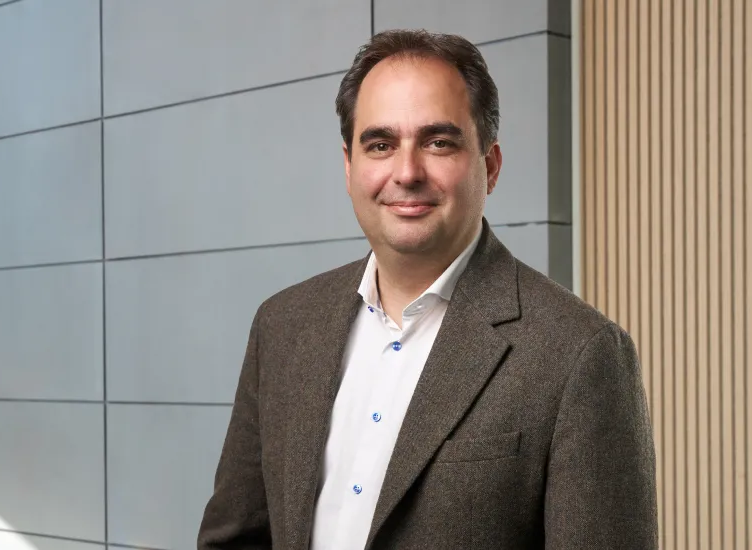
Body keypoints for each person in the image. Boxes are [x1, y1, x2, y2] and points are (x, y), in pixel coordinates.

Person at [196, 29, 657, 550]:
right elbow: (235, 539)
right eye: (381, 144)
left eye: (439, 142)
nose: (407, 172)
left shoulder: (579, 354)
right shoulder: (282, 325)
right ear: (349, 168)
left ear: (490, 165)